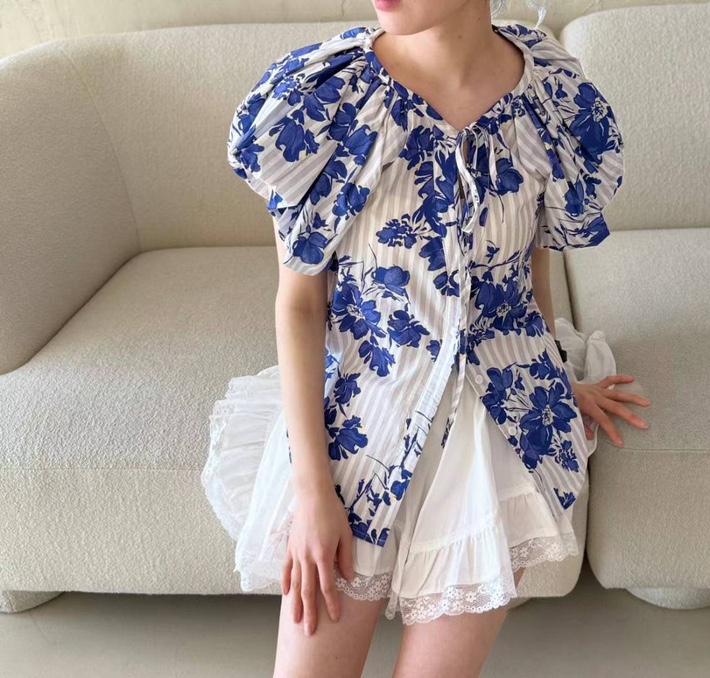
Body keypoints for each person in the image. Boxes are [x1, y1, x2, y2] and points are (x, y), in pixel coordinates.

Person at [202, 0, 651, 675]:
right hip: (360, 430)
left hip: (500, 441)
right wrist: (312, 492)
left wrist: (555, 375)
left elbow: (530, 266)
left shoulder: (550, 96)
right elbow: (299, 304)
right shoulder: (323, 102)